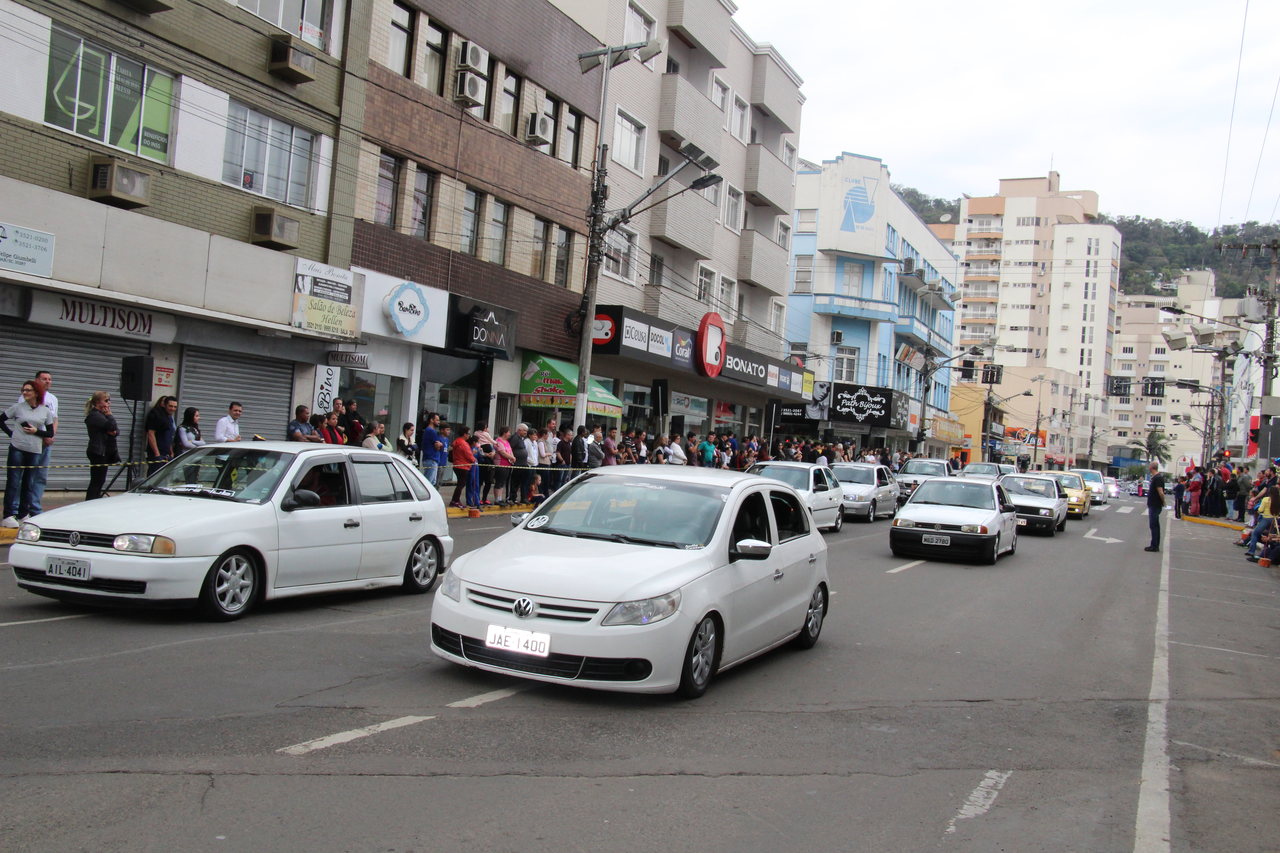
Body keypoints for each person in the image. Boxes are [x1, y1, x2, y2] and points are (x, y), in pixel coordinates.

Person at [2, 380, 56, 525]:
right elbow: (1, 420)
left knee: (29, 483)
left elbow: (50, 433)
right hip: (17, 448)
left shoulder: (45, 410)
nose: (24, 392)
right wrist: (11, 434)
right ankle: (8, 515)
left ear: (36, 393)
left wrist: (36, 431)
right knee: (13, 482)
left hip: (35, 450)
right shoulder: (18, 407)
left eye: (28, 390)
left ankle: (23, 514)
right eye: (23, 390)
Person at [24, 371, 58, 516]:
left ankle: (35, 507)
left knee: (41, 476)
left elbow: (55, 419)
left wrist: (51, 435)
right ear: (37, 380)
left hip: (46, 442)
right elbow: (24, 418)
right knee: (27, 475)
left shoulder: (53, 398)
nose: (48, 381)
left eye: (50, 379)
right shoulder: (28, 395)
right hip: (32, 441)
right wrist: (41, 434)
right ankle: (21, 507)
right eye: (44, 379)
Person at [83, 391, 119, 501]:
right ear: (98, 402)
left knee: (100, 480)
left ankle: (95, 499)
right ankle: (90, 501)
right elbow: (112, 426)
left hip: (104, 451)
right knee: (97, 481)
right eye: (106, 401)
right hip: (98, 452)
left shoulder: (102, 415)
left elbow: (116, 431)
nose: (109, 403)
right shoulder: (95, 415)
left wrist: (113, 430)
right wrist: (109, 415)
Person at [1244, 484, 1280, 562]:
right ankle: (1266, 552)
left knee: (1255, 533)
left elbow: (1260, 510)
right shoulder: (1278, 500)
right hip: (1275, 520)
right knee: (1271, 538)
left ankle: (1251, 551)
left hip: (1266, 518)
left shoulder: (1266, 499)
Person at [145, 395, 178, 475]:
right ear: (164, 405)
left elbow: (169, 436)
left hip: (167, 454)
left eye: (175, 407)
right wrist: (157, 454)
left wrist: (171, 452)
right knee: (154, 476)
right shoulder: (156, 414)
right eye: (170, 406)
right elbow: (151, 434)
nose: (172, 409)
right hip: (157, 454)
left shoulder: (170, 418)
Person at [448, 425, 474, 508]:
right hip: (463, 466)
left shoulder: (456, 441)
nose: (469, 435)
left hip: (457, 464)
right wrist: (474, 460)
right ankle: (455, 500)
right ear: (464, 434)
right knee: (461, 484)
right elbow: (469, 455)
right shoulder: (463, 444)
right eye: (468, 434)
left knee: (460, 483)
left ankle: (456, 500)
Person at [1145, 462, 1166, 552]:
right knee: (1154, 525)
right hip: (1153, 504)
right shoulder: (1155, 477)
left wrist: (1163, 501)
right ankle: (1154, 544)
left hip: (1155, 505)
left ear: (1152, 467)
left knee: (1154, 525)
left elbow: (1160, 491)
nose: (1148, 467)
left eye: (1149, 466)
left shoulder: (1157, 478)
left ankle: (1154, 545)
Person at [419, 411, 444, 487]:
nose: (439, 422)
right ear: (431, 420)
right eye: (437, 420)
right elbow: (437, 445)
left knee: (432, 481)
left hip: (431, 459)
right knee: (429, 483)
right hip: (431, 459)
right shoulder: (431, 431)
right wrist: (441, 444)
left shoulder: (429, 431)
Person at [492, 426, 516, 505]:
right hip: (500, 464)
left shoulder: (507, 442)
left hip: (507, 464)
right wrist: (511, 457)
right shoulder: (498, 441)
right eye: (508, 432)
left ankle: (500, 498)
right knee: (499, 482)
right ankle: (497, 499)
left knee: (503, 482)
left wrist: (513, 457)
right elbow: (502, 452)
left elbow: (510, 451)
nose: (509, 434)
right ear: (504, 433)